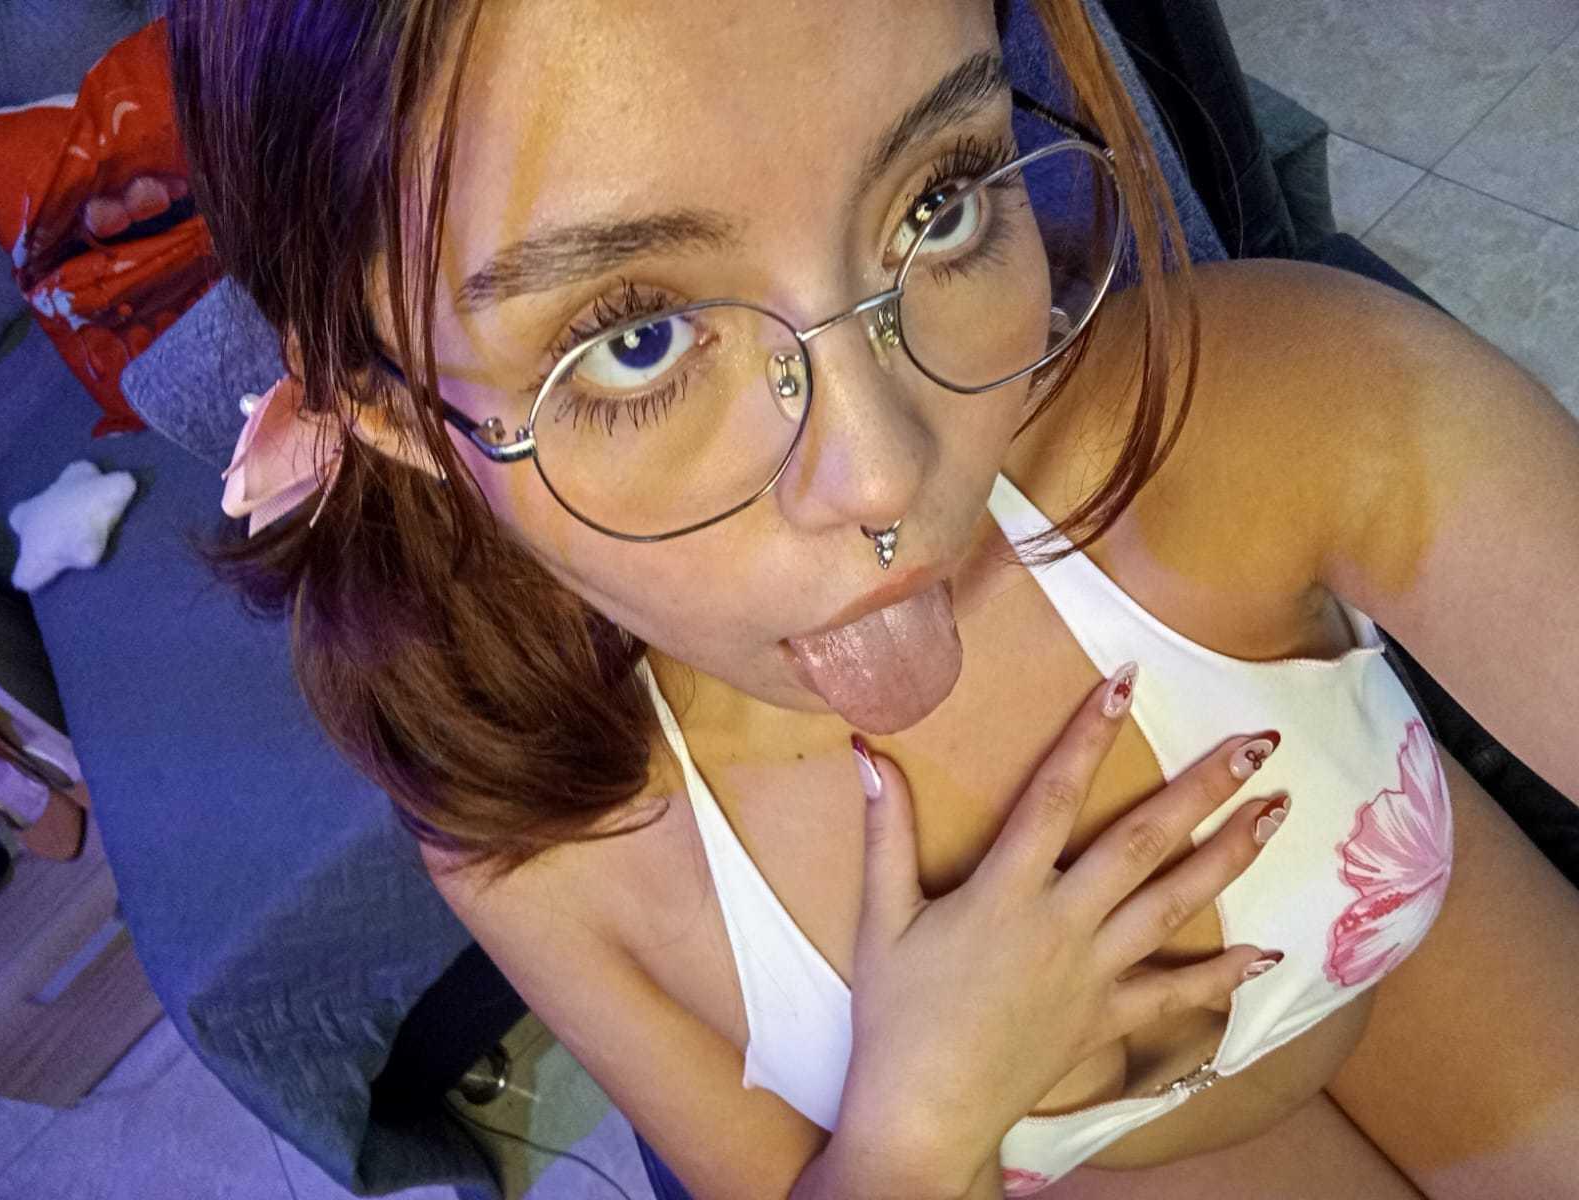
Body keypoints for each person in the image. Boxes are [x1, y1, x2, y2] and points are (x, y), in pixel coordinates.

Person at [168, 1, 1579, 1197]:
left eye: (936, 203)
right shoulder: (547, 850)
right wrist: (915, 1128)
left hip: (1415, 970)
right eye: (637, 339)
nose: (884, 474)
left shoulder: (1265, 410)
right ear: (397, 415)